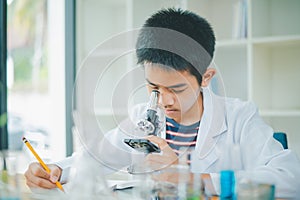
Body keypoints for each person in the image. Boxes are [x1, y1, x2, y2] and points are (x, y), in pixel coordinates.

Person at [24, 8, 300, 198]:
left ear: (205, 77)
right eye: (154, 87)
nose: (164, 101)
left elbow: (290, 177)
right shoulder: (145, 116)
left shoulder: (239, 117)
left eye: (177, 89)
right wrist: (57, 170)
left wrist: (198, 181)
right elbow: (97, 157)